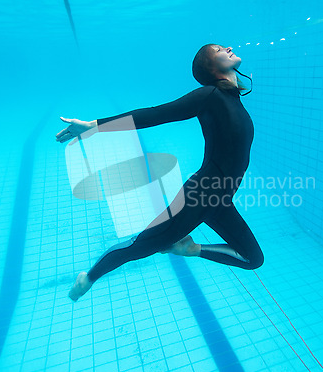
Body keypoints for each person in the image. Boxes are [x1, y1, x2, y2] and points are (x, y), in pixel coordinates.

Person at [55, 44, 264, 302]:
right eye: (219, 49)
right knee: (142, 245)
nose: (229, 47)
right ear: (210, 67)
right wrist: (92, 127)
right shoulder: (209, 96)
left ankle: (190, 248)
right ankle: (88, 278)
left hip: (220, 201)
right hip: (200, 197)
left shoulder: (232, 98)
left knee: (253, 258)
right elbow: (155, 115)